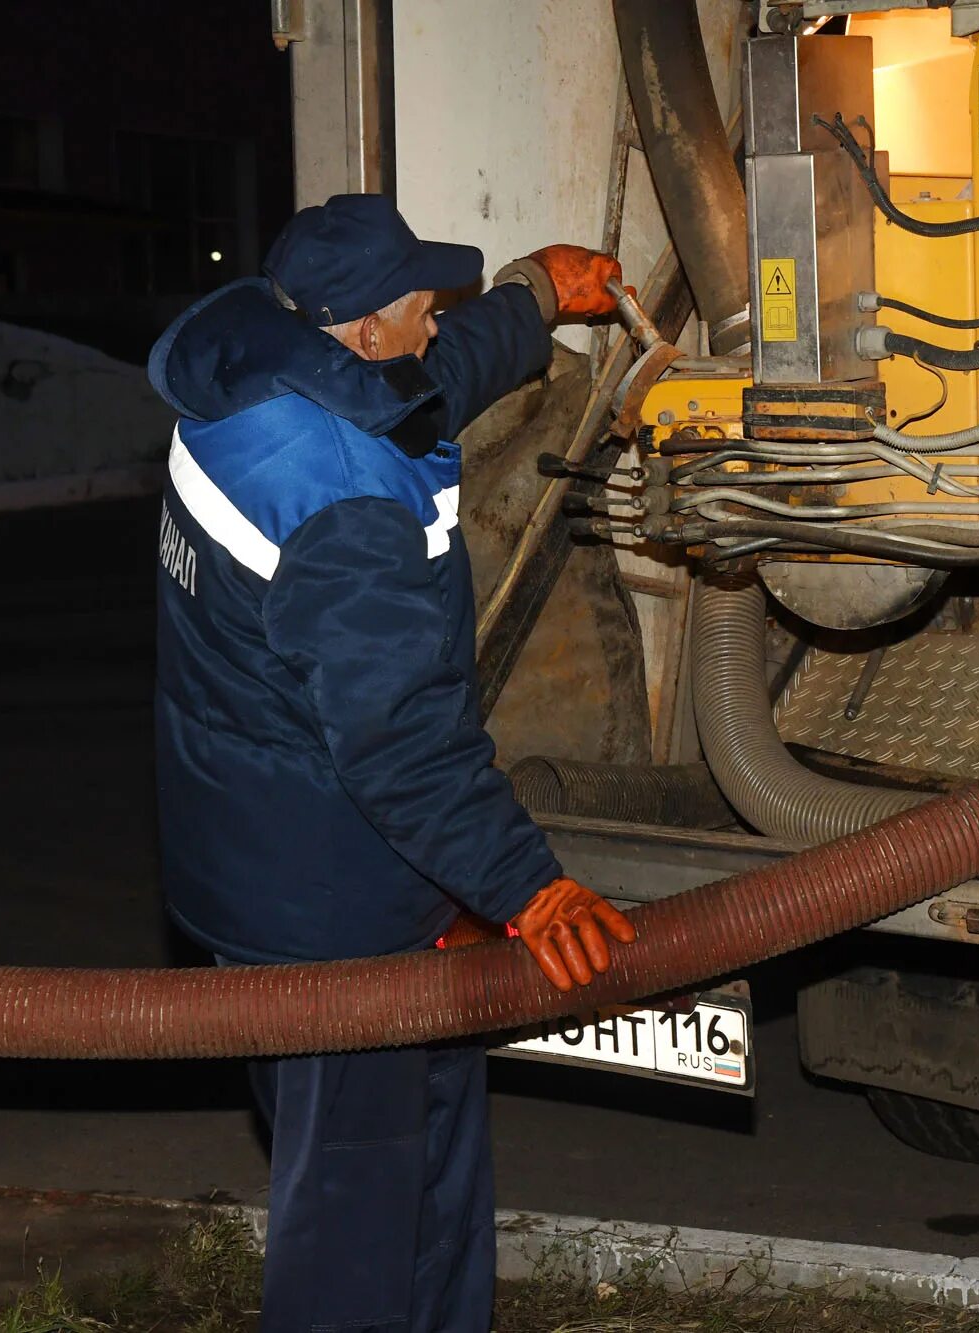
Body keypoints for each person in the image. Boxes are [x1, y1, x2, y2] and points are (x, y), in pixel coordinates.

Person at [145, 194, 639, 1333]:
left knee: (427, 1168)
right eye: (419, 309)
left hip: (283, 861)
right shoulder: (342, 500)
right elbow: (400, 743)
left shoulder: (261, 378)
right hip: (329, 910)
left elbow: (427, 383)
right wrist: (529, 883)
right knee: (356, 1217)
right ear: (359, 330)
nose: (431, 325)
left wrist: (530, 296)